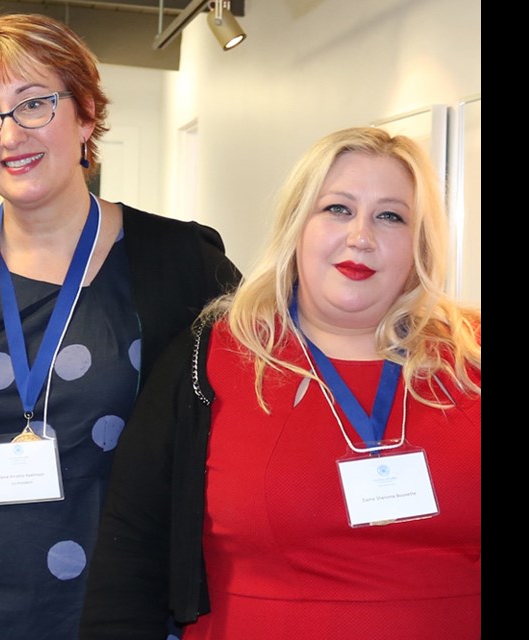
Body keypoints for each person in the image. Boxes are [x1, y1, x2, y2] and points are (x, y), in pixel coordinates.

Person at [0, 13, 240, 640]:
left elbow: (243, 417)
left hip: (116, 613)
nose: (9, 134)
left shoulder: (180, 262)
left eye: (33, 104)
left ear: (85, 113)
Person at [81, 127, 481, 639]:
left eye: (391, 215)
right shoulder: (211, 359)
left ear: (419, 243)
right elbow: (130, 559)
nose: (362, 236)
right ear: (297, 226)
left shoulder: (468, 356)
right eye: (337, 208)